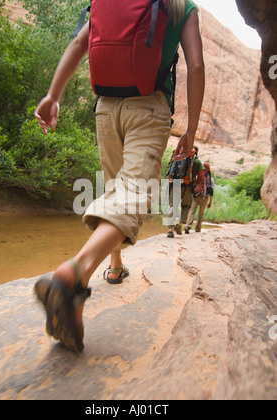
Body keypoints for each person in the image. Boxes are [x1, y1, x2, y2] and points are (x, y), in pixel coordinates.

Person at [34, 0, 205, 352]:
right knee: (134, 197)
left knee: (116, 191)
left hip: (106, 108)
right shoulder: (182, 7)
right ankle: (72, 276)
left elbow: (79, 44)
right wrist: (191, 130)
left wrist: (53, 96)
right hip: (148, 105)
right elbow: (197, 64)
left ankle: (115, 268)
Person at [167, 146, 204, 237]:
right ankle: (179, 225)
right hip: (187, 186)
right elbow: (201, 175)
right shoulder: (196, 161)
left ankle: (170, 230)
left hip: (174, 183)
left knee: (173, 206)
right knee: (186, 206)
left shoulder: (177, 155)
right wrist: (196, 185)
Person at [184, 161, 215, 233]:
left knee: (201, 213)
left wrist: (210, 201)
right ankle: (188, 226)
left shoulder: (211, 179)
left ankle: (198, 228)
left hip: (205, 197)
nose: (206, 169)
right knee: (192, 210)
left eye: (207, 168)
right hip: (196, 196)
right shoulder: (197, 176)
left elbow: (211, 191)